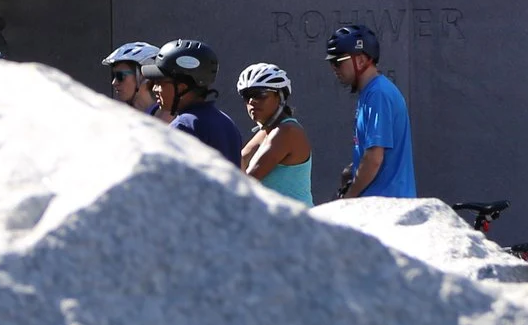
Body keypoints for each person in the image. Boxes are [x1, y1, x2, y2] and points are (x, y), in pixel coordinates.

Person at [327, 24, 415, 199]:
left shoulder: (378, 94)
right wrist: (352, 171)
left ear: (360, 60)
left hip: (386, 208)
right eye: (331, 63)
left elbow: (374, 158)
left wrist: (349, 198)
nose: (334, 68)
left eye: (338, 61)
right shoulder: (372, 92)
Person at [145, 39, 243, 163]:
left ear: (182, 87)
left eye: (160, 83)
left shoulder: (183, 126)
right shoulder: (226, 123)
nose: (154, 89)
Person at [236, 62, 313, 205]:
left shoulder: (287, 132)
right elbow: (236, 162)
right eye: (247, 96)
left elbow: (246, 181)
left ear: (279, 96)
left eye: (260, 94)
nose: (252, 101)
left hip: (294, 224)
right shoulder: (266, 131)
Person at [101, 42, 162, 116]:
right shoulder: (117, 117)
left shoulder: (166, 118)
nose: (114, 82)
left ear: (143, 76)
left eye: (120, 76)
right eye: (113, 75)